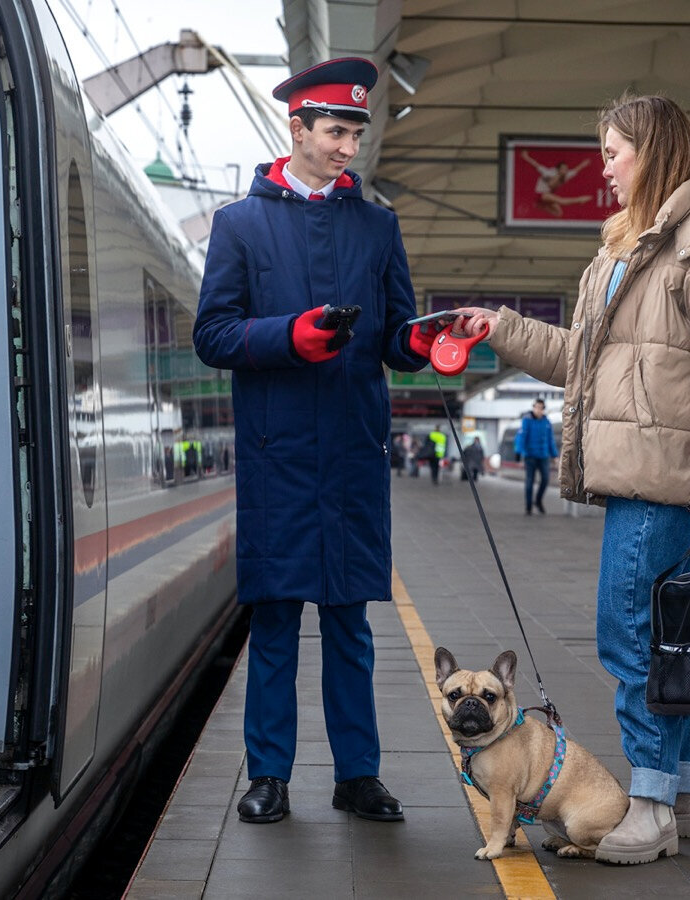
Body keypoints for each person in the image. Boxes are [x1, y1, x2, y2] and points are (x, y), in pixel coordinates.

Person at [452, 93, 690, 864]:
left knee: (631, 638)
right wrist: (503, 329)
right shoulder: (625, 247)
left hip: (666, 479)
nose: (602, 169)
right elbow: (583, 366)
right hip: (640, 468)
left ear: (653, 151)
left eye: (612, 153)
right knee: (680, 642)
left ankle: (652, 808)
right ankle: (682, 791)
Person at [193, 57, 444, 826]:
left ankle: (357, 775)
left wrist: (432, 338)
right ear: (296, 127)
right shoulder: (239, 224)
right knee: (273, 621)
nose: (347, 148)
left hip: (352, 453)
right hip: (277, 459)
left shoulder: (378, 225)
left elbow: (397, 335)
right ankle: (269, 774)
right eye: (335, 131)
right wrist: (290, 337)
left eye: (354, 135)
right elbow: (214, 334)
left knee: (350, 621)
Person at [519, 149, 593, 216]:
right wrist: (526, 157)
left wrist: (584, 164)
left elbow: (575, 170)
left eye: (566, 169)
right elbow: (536, 166)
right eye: (563, 169)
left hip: (547, 195)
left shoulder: (565, 175)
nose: (565, 170)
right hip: (540, 194)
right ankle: (580, 200)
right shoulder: (549, 173)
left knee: (559, 213)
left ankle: (541, 206)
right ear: (558, 170)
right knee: (561, 201)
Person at [517, 398, 558, 514]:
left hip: (544, 456)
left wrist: (554, 455)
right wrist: (519, 454)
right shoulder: (527, 421)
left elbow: (551, 440)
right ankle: (528, 507)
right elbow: (522, 437)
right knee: (529, 481)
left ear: (543, 409)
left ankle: (538, 500)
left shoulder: (547, 422)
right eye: (536, 407)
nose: (538, 410)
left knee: (545, 479)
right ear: (533, 407)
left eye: (541, 408)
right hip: (530, 456)